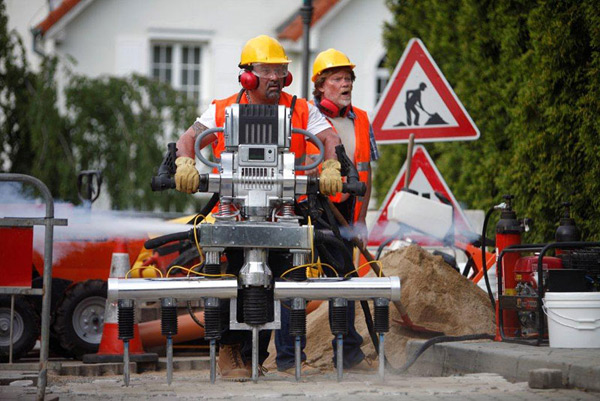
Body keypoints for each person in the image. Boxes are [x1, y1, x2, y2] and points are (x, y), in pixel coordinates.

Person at [173, 35, 343, 381]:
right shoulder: (221, 109)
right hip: (233, 209)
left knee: (281, 280)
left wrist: (331, 165)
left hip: (284, 208)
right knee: (229, 277)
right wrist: (185, 163)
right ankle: (229, 351)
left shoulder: (300, 109)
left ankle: (255, 356)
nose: (276, 77)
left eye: (280, 70)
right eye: (267, 70)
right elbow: (189, 138)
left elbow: (330, 139)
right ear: (247, 76)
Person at [274, 48, 380, 375]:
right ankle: (290, 358)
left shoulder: (361, 118)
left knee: (344, 281)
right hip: (306, 206)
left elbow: (366, 170)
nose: (345, 83)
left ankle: (347, 353)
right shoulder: (305, 114)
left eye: (348, 78)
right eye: (337, 78)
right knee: (295, 281)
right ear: (321, 85)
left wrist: (360, 219)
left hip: (345, 212)